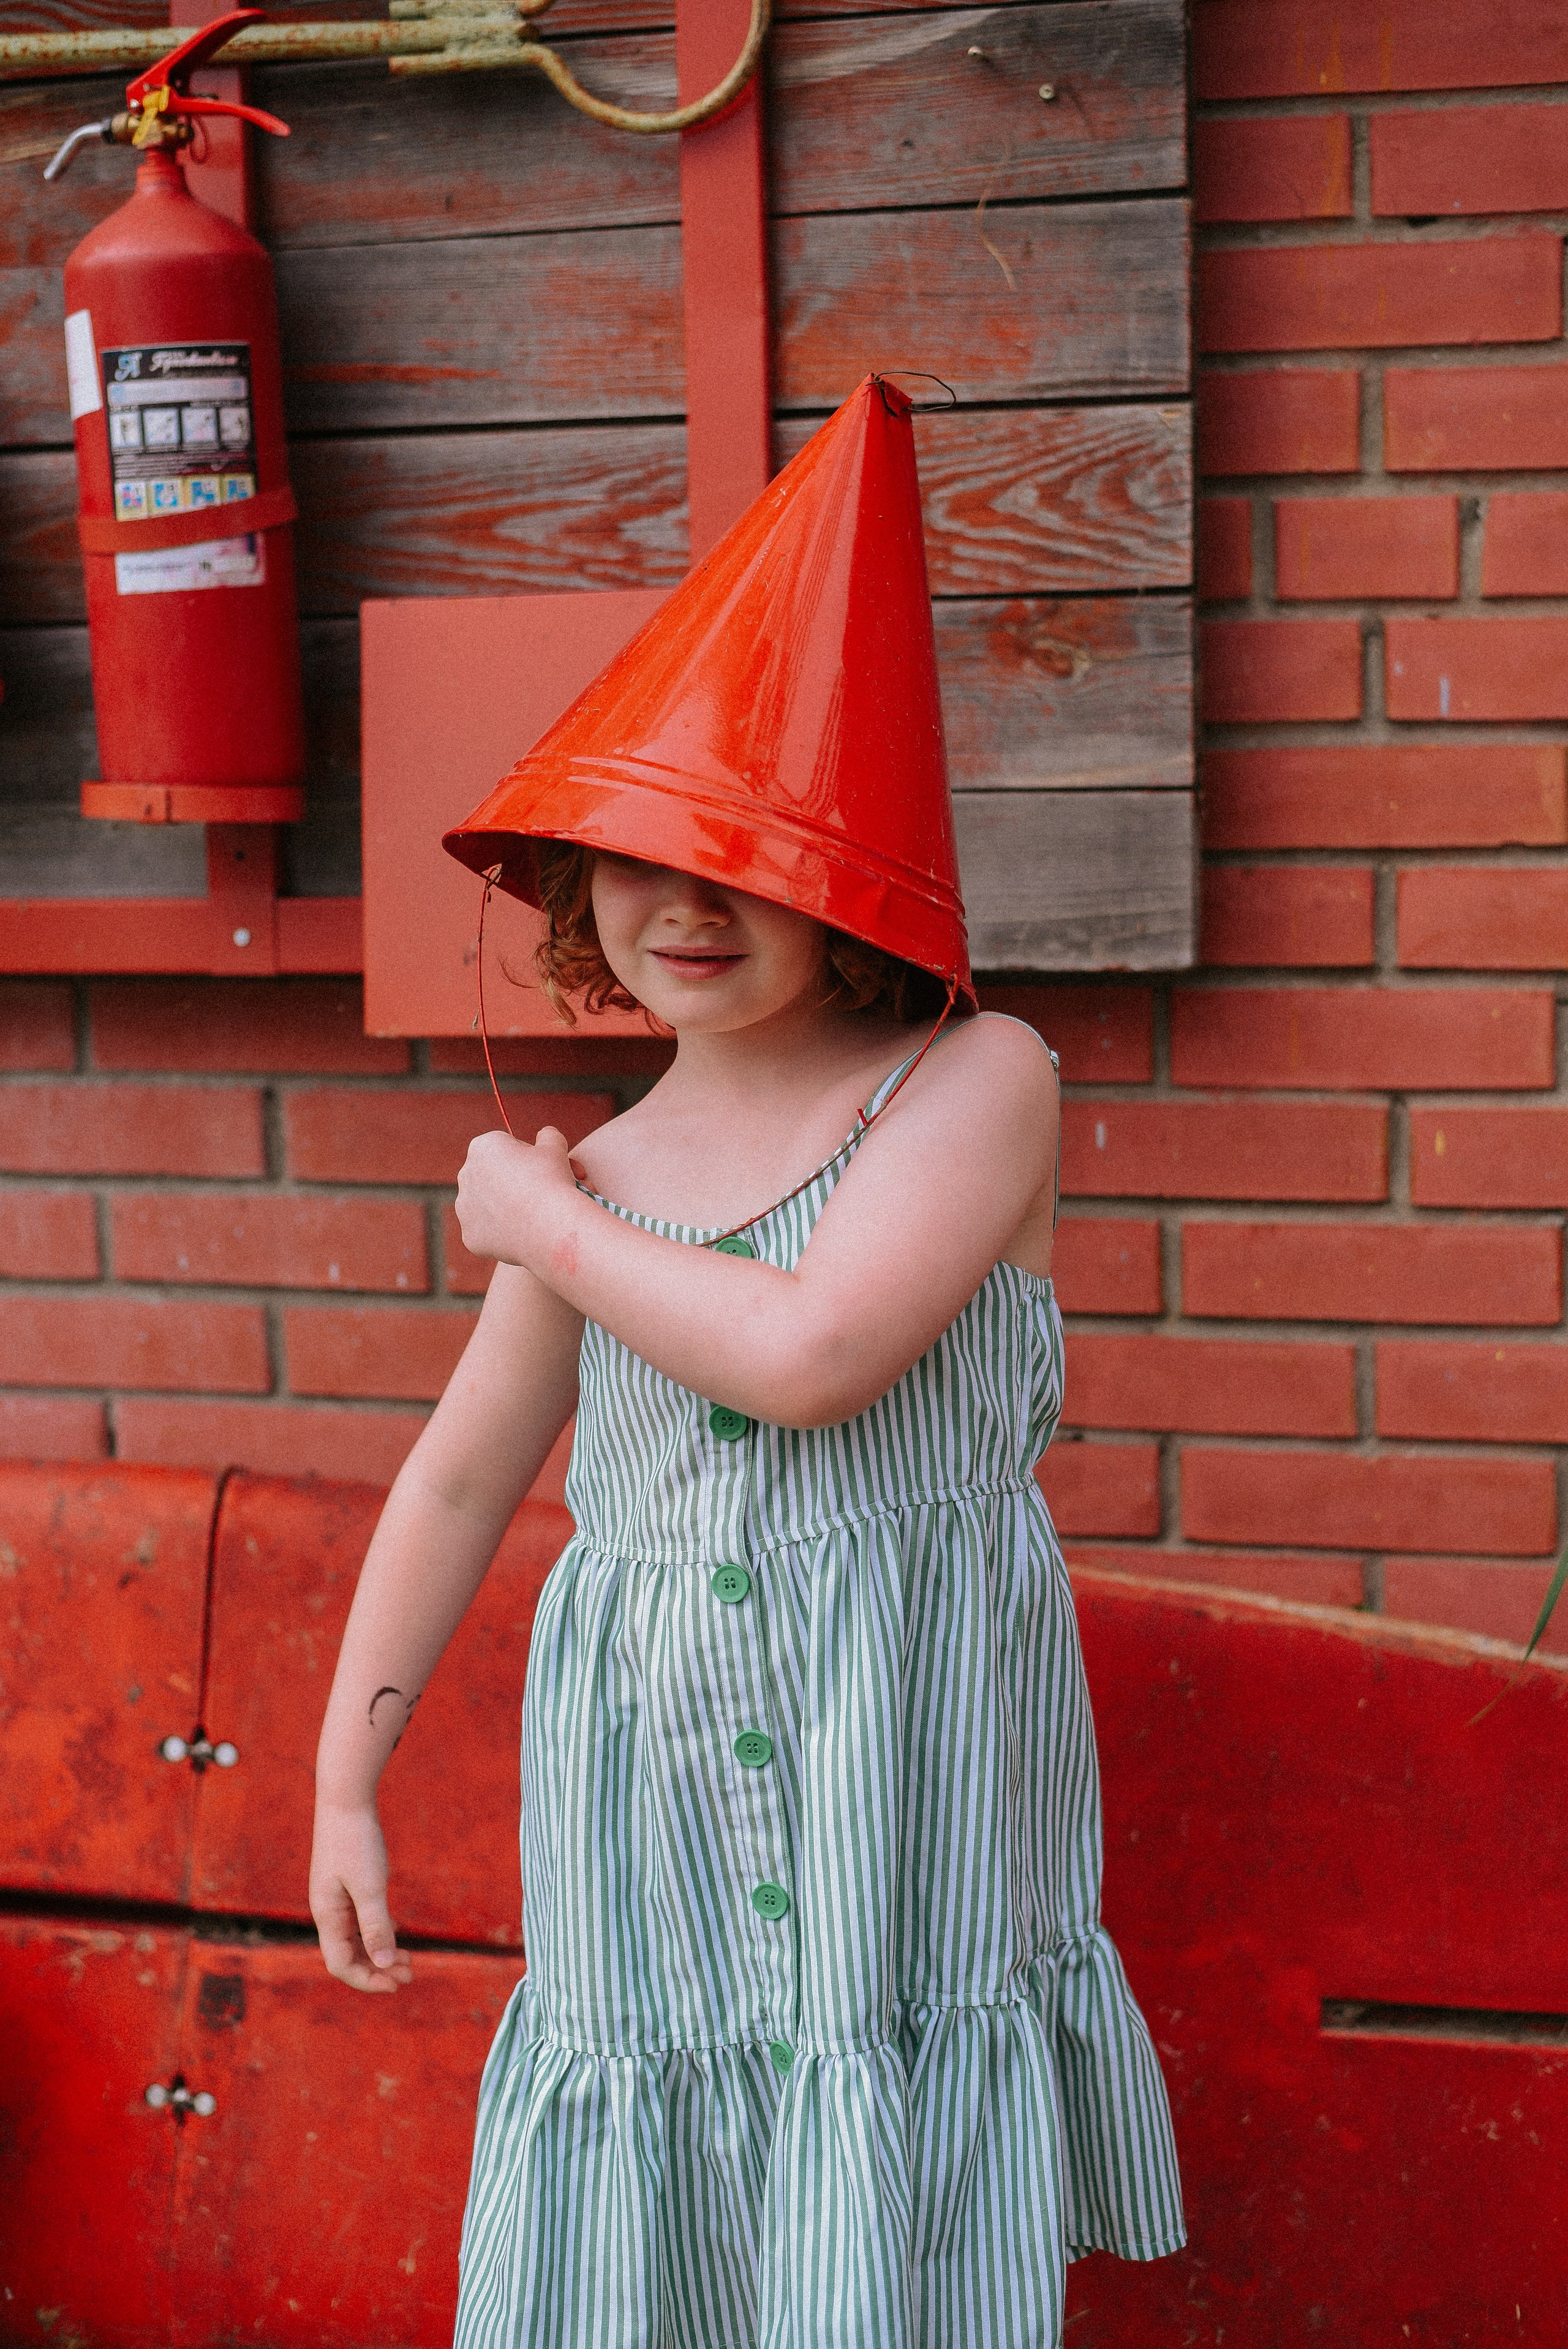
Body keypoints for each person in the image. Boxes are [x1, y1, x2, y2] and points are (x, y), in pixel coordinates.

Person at [309, 379, 1183, 2347]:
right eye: (642, 853)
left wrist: (541, 1227)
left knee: (893, 2232)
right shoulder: (607, 1173)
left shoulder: (969, 1085)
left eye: (756, 863)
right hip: (652, 1832)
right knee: (677, 2251)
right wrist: (346, 1775)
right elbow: (461, 1472)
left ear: (860, 883)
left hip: (901, 1800)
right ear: (573, 878)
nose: (688, 905)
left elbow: (810, 1352)